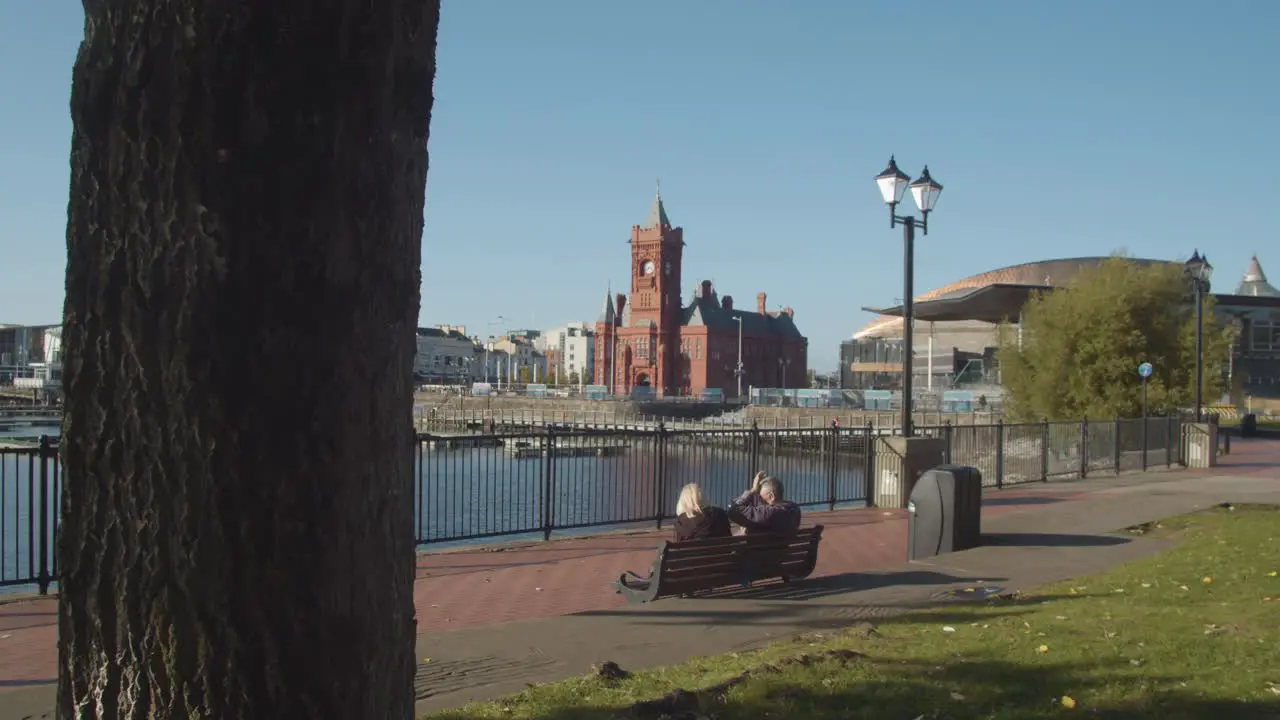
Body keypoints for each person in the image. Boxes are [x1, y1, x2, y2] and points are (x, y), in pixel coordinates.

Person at [728, 471, 801, 535]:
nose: (759, 498)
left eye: (760, 496)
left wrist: (753, 490)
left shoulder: (766, 513)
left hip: (758, 550)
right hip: (782, 549)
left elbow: (733, 510)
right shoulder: (794, 509)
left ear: (772, 496)